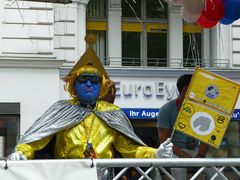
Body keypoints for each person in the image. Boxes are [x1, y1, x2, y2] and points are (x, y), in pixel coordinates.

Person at [8, 35, 173, 178]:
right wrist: (22, 152)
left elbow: (129, 148)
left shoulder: (112, 113)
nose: (88, 84)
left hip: (102, 176)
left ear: (101, 86)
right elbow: (36, 139)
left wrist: (155, 153)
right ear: (73, 85)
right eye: (83, 80)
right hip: (65, 175)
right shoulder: (60, 109)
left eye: (93, 80)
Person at [157, 74, 210, 180]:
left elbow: (207, 135)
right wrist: (182, 154)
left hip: (196, 150)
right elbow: (163, 140)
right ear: (185, 90)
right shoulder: (166, 109)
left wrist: (201, 154)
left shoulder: (201, 109)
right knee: (179, 168)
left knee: (215, 167)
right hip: (175, 152)